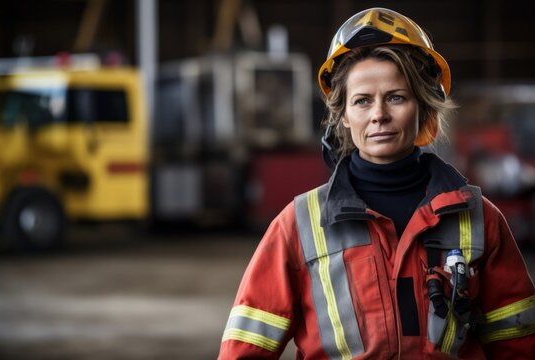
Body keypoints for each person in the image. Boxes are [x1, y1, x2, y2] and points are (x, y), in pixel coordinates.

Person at [218, 7, 535, 359]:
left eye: (396, 97)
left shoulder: (480, 219)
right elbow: (245, 349)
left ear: (424, 107)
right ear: (343, 116)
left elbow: (518, 343)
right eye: (362, 101)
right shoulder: (298, 225)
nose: (379, 115)